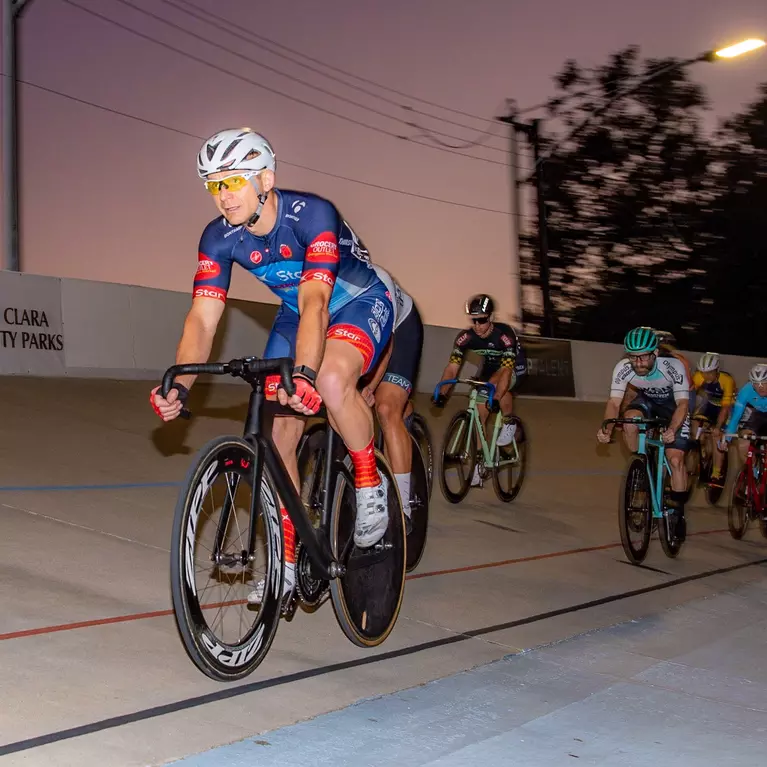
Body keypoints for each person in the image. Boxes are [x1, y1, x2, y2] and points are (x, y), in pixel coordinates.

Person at [149, 127, 395, 601]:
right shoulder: (219, 238)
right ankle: (284, 559)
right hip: (295, 313)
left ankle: (368, 483)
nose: (224, 196)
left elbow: (317, 301)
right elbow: (202, 319)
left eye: (234, 182)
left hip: (356, 301)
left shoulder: (312, 214)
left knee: (327, 376)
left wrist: (303, 373)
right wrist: (179, 385)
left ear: (265, 178)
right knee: (278, 432)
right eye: (214, 185)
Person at [597, 327, 690, 540]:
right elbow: (614, 402)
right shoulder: (623, 368)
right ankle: (643, 466)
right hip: (648, 401)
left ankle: (677, 512)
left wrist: (673, 429)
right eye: (633, 357)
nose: (638, 363)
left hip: (673, 405)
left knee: (675, 459)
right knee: (630, 422)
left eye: (643, 358)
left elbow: (683, 404)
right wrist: (607, 428)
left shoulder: (673, 367)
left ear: (655, 353)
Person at [359, 265, 423, 532]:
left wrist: (371, 387)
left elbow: (386, 348)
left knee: (385, 408)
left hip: (400, 329)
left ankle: (403, 506)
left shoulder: (376, 283)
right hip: (358, 332)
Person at [433, 294, 522, 487]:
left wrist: (496, 397)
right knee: (479, 416)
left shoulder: (504, 335)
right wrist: (442, 391)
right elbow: (452, 367)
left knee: (498, 385)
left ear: (490, 317)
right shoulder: (466, 337)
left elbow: (506, 371)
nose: (478, 325)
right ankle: (478, 464)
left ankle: (509, 422)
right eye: (474, 320)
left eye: (482, 320)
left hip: (513, 366)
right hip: (489, 367)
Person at [691, 352, 736, 485]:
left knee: (717, 437)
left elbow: (725, 408)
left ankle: (716, 472)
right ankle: (702, 451)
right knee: (695, 426)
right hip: (709, 406)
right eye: (704, 372)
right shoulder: (698, 377)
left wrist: (718, 427)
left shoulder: (727, 380)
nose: (706, 376)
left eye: (710, 372)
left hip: (725, 408)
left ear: (717, 370)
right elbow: (691, 398)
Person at [721, 363, 767, 463]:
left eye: (764, 382)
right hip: (758, 415)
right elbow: (735, 417)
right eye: (755, 383)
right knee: (742, 444)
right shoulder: (746, 391)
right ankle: (754, 473)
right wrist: (727, 440)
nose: (760, 386)